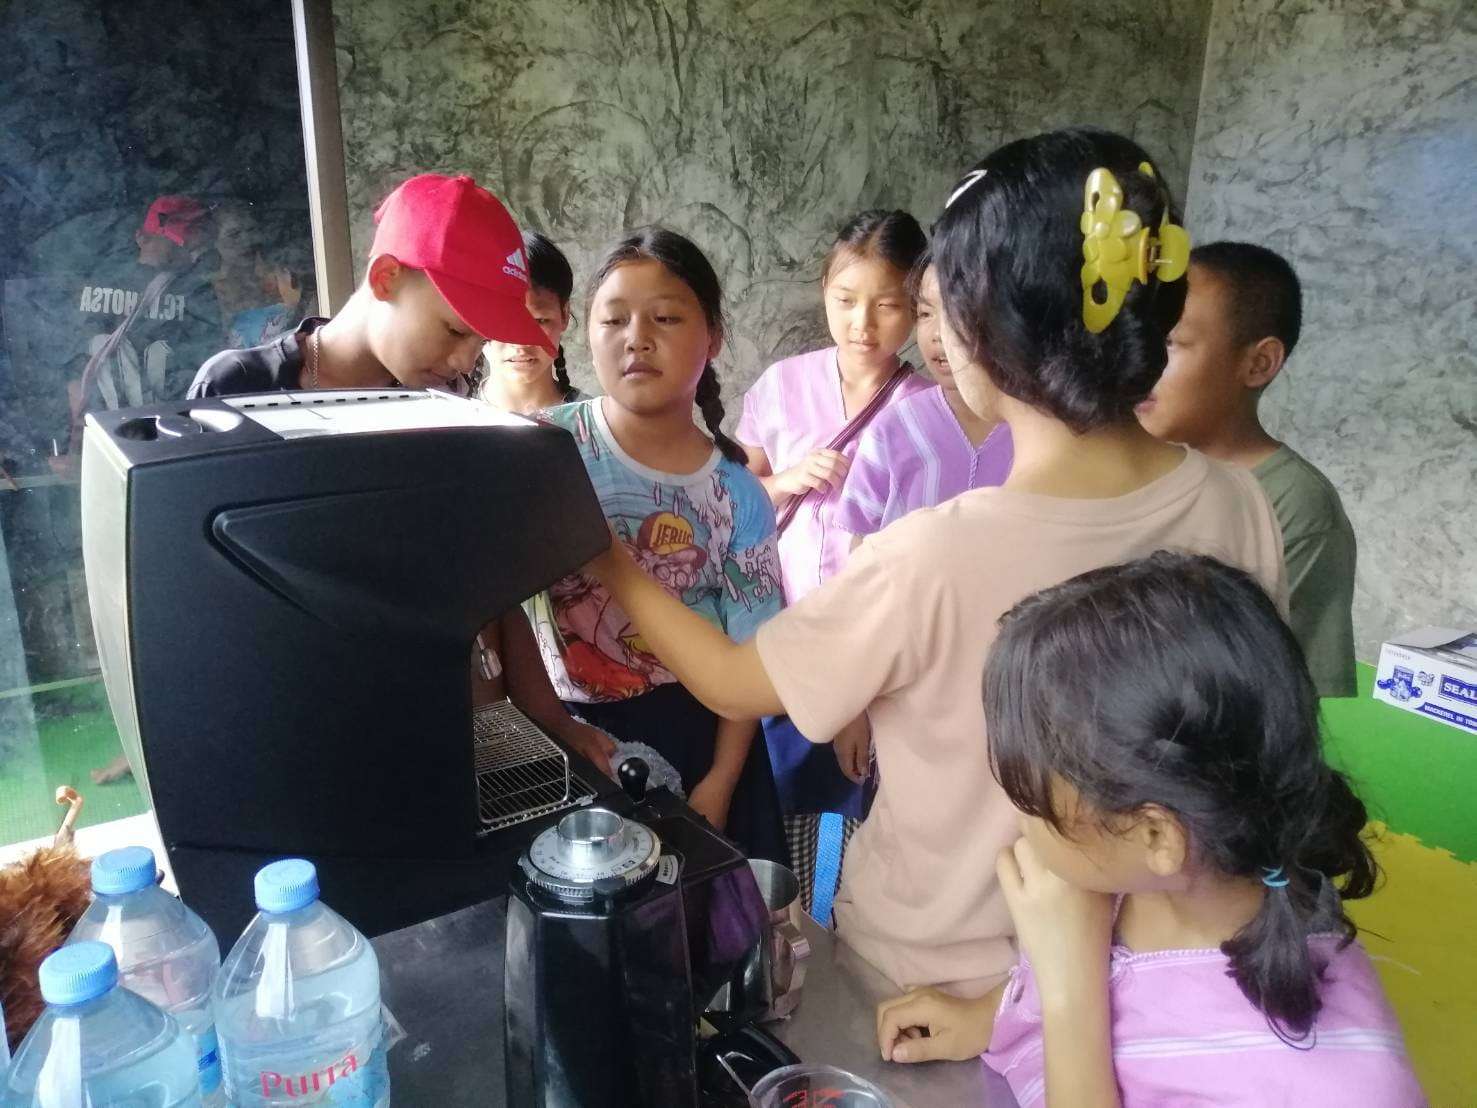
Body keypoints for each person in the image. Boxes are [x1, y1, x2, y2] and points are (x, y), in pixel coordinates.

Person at [583, 128, 1286, 995]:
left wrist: (608, 559)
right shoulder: (1234, 501)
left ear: (980, 327)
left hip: (929, 977)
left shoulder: (934, 552)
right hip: (1136, 984)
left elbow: (731, 680)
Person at [876, 552, 1423, 1106]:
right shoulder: (1150, 886)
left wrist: (1070, 987)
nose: (1019, 818)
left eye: (1031, 798)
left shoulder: (1328, 1088)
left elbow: (1094, 991)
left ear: (1155, 835)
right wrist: (985, 1019)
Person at [523, 227, 786, 862]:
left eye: (665, 317)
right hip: (564, 730)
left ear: (714, 337)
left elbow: (749, 661)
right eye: (613, 319)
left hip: (699, 738)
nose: (636, 337)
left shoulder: (736, 494)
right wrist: (550, 724)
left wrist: (722, 780)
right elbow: (500, 608)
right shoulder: (541, 453)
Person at [736, 211, 930, 855]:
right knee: (772, 816)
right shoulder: (781, 386)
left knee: (846, 829)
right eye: (845, 301)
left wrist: (862, 702)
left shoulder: (928, 410)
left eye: (888, 305)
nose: (862, 324)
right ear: (824, 291)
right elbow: (731, 504)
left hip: (873, 660)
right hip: (777, 638)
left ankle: (826, 935)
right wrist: (785, 481)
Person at [1136, 242, 1357, 697]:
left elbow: (1258, 691)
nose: (1140, 362)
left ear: (1258, 363)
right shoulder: (1131, 464)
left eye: (1169, 343)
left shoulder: (1295, 505)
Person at [189, 173, 552, 398]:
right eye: (455, 331)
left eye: (482, 341)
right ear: (385, 278)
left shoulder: (442, 402)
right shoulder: (236, 387)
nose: (465, 362)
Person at [835, 254, 1013, 548]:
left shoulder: (1037, 431)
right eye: (925, 314)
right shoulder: (893, 429)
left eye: (959, 312)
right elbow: (859, 545)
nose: (938, 334)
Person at [475, 230, 592, 413]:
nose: (520, 343)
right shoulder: (447, 422)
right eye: (503, 320)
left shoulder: (596, 425)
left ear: (565, 314)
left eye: (539, 321)